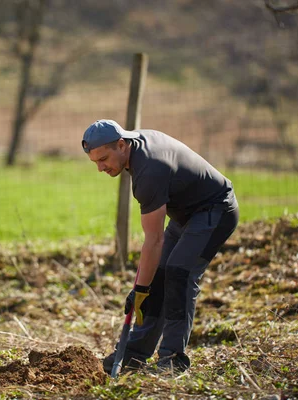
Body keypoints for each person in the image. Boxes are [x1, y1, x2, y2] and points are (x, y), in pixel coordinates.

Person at [81, 119, 239, 374]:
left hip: (215, 209)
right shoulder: (134, 148)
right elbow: (154, 248)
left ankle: (173, 360)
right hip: (185, 215)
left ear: (121, 145)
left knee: (179, 273)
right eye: (95, 162)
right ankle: (133, 355)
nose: (100, 168)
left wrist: (140, 289)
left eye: (103, 159)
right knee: (157, 277)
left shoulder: (149, 170)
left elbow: (153, 240)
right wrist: (145, 287)